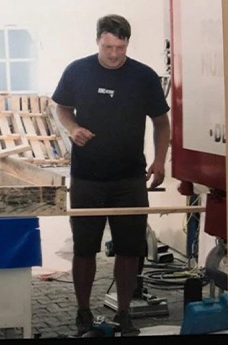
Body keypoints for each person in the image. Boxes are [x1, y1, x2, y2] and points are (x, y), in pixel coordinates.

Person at [51, 14, 170, 336]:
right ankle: (83, 312)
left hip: (130, 177)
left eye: (120, 47)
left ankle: (125, 313)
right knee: (84, 247)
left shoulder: (144, 77)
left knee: (131, 248)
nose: (114, 54)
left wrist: (160, 161)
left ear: (127, 43)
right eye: (107, 47)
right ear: (97, 41)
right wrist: (73, 128)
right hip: (87, 177)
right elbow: (61, 107)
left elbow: (161, 122)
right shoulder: (78, 70)